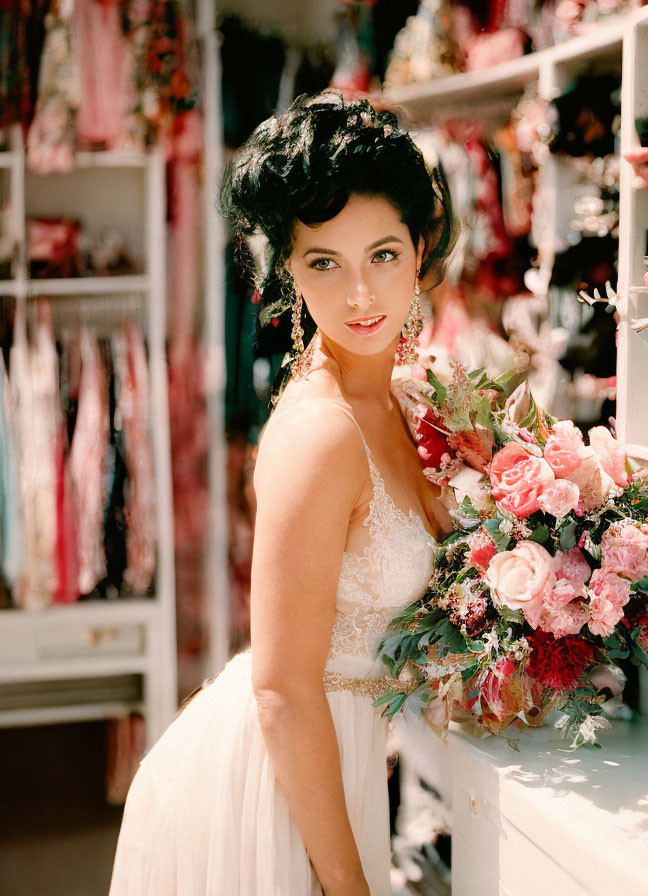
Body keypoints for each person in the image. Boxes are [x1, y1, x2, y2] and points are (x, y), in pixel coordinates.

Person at [109, 91, 455, 896]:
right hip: (282, 782)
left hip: (346, 759)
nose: (361, 296)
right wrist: (349, 885)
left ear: (421, 245)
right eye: (324, 263)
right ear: (290, 273)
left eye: (382, 255)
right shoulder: (319, 433)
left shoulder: (405, 398)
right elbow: (282, 690)